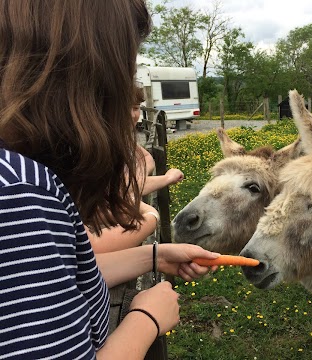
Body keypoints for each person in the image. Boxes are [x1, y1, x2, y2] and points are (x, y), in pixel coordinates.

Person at [0, 1, 219, 359]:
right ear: (85, 81)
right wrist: (146, 319)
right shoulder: (20, 193)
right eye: (123, 77)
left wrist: (155, 257)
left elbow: (62, 275)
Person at [87, 87, 184, 254]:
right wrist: (165, 180)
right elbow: (124, 193)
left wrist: (135, 177)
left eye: (136, 108)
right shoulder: (99, 145)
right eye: (125, 107)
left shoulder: (121, 139)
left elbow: (146, 159)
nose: (132, 115)